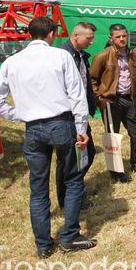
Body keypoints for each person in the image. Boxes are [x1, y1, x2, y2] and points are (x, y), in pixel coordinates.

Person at [0, 16, 97, 257]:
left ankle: (44, 245)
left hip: (33, 128)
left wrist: (17, 114)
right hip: (62, 124)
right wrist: (81, 128)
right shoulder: (61, 56)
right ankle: (69, 236)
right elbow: (76, 95)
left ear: (30, 34)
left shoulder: (12, 61)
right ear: (52, 34)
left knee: (38, 189)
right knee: (74, 179)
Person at [90, 23, 136, 182]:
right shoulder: (102, 56)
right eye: (118, 37)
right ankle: (116, 171)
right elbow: (92, 80)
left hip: (129, 100)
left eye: (124, 36)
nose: (122, 39)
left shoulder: (134, 54)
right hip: (110, 101)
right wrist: (99, 99)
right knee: (113, 137)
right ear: (111, 38)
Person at [56, 21, 97, 210]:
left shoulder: (80, 55)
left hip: (80, 112)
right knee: (68, 160)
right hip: (67, 114)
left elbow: (84, 82)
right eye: (88, 38)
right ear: (75, 35)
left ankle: (74, 191)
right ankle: (67, 199)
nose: (91, 42)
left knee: (86, 153)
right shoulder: (62, 56)